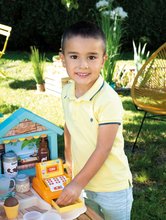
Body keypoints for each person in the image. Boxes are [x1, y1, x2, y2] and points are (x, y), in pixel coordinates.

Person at [56, 21, 133, 220]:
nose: (83, 65)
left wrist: (76, 184)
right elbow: (69, 126)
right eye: (74, 56)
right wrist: (69, 162)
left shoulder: (108, 100)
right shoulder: (66, 92)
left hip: (112, 187)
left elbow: (103, 148)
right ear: (62, 59)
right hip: (84, 182)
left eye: (91, 57)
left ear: (103, 60)